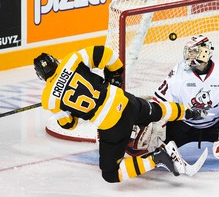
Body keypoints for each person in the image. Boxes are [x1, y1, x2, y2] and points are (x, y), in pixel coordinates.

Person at [33, 45, 206, 183]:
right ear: (54, 61)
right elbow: (105, 54)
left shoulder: (49, 99)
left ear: (41, 76)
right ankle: (189, 112)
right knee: (155, 110)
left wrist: (70, 112)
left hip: (111, 124)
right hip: (124, 101)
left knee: (110, 173)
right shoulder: (72, 59)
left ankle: (157, 158)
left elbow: (70, 124)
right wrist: (114, 76)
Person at [127, 35, 219, 164]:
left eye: (193, 52)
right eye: (188, 52)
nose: (188, 55)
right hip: (183, 126)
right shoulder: (179, 72)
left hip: (216, 127)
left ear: (205, 52)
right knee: (143, 150)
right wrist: (155, 127)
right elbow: (160, 103)